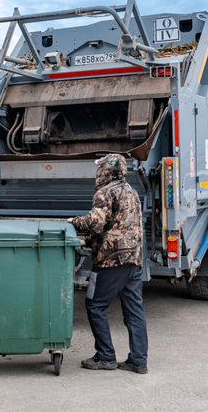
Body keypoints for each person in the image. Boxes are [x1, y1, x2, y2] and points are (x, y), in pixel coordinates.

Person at [70, 153, 149, 374]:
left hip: (110, 261)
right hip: (133, 260)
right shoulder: (132, 192)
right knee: (134, 311)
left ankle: (106, 356)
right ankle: (138, 361)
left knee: (95, 306)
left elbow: (96, 223)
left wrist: (73, 222)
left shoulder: (104, 193)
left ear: (106, 171)